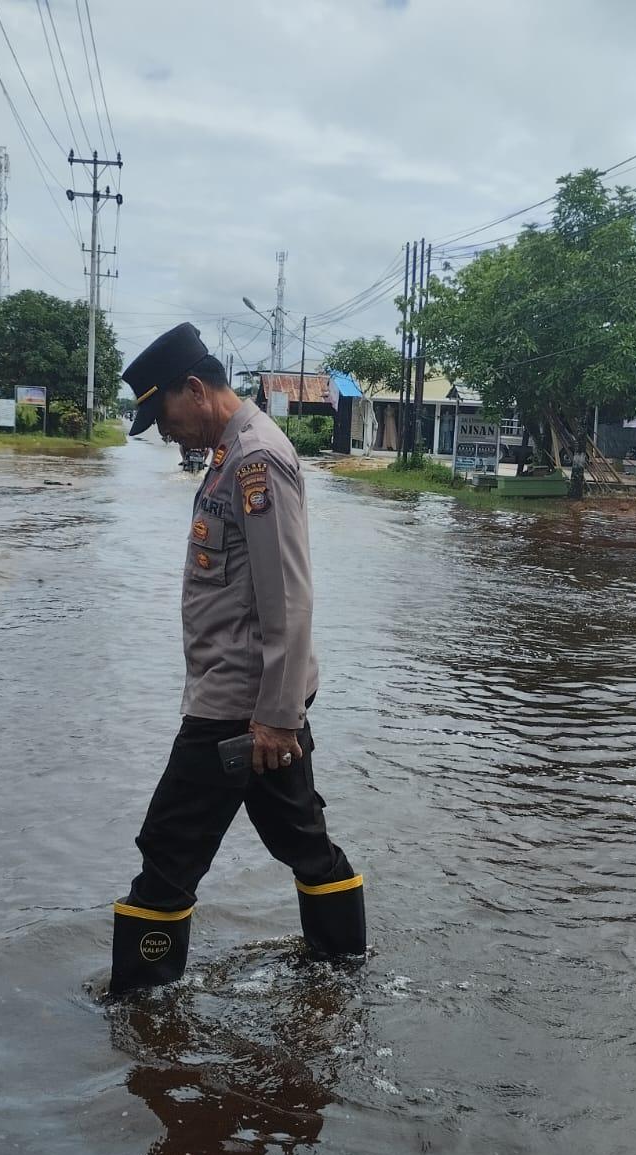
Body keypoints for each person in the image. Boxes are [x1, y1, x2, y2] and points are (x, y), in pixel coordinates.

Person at [105, 322, 365, 994]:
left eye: (162, 414)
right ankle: (343, 970)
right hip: (252, 702)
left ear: (195, 390)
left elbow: (289, 597)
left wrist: (276, 718)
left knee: (168, 849)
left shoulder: (255, 461)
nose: (163, 432)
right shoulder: (229, 454)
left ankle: (138, 1004)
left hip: (240, 705)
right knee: (300, 838)